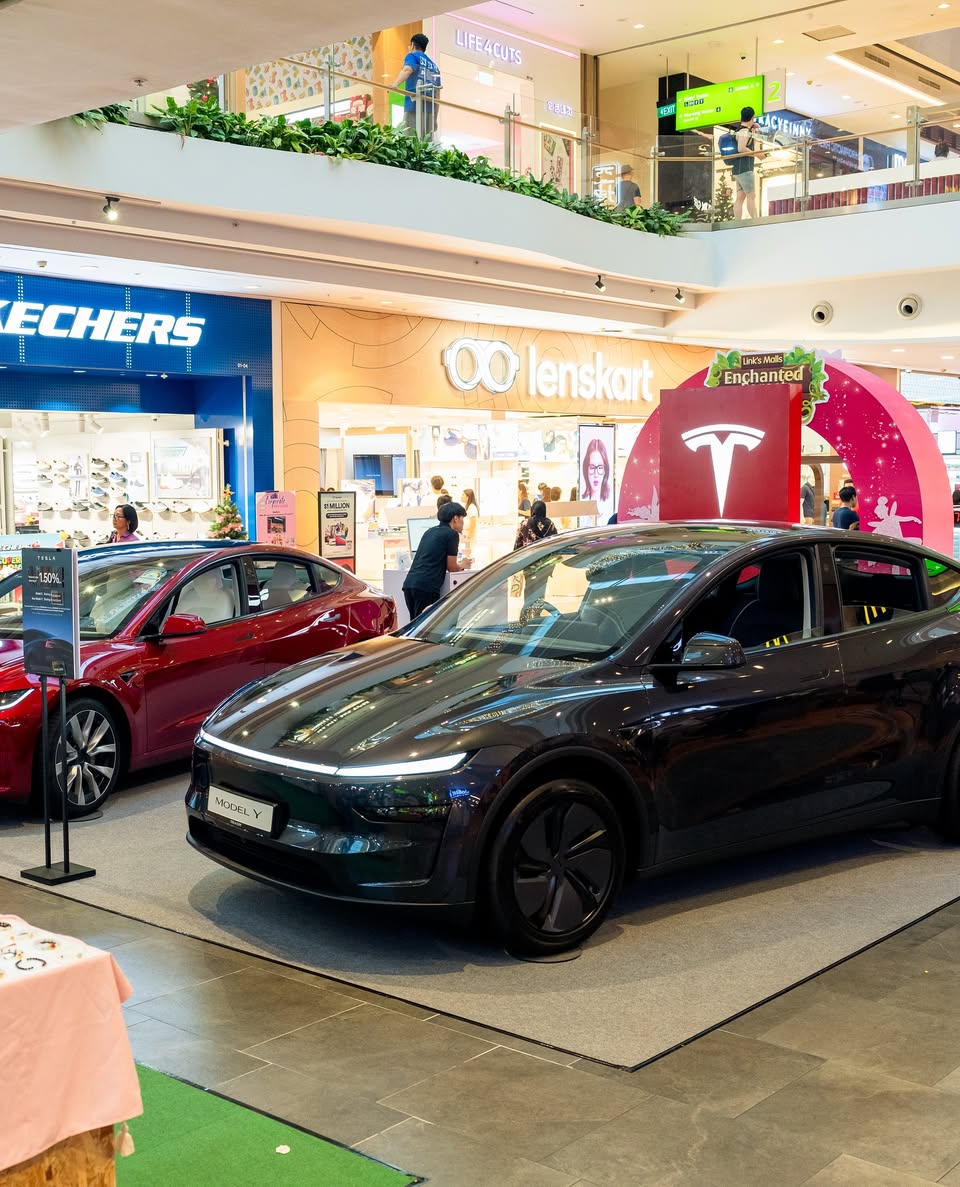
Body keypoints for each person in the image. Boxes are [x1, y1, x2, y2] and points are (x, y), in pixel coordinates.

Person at [402, 501, 471, 620]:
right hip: (426, 587)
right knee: (425, 627)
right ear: (455, 518)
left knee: (414, 626)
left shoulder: (430, 531)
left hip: (410, 584)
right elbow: (452, 567)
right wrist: (463, 564)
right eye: (462, 519)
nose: (463, 524)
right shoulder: (451, 535)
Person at [393, 33, 441, 138]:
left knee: (410, 141)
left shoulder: (412, 56)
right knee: (425, 145)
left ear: (413, 45)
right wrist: (435, 119)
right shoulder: (435, 67)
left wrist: (394, 85)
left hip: (413, 105)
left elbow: (407, 70)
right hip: (430, 110)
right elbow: (437, 95)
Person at [732, 106, 764, 221]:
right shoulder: (745, 131)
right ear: (752, 118)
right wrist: (756, 154)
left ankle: (738, 221)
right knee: (751, 195)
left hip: (738, 168)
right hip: (745, 168)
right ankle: (754, 220)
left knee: (740, 196)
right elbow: (741, 148)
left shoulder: (739, 130)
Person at [580, 437, 613, 521]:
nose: (596, 474)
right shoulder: (581, 502)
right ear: (586, 469)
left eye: (600, 467)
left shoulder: (610, 504)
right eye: (592, 467)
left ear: (605, 470)